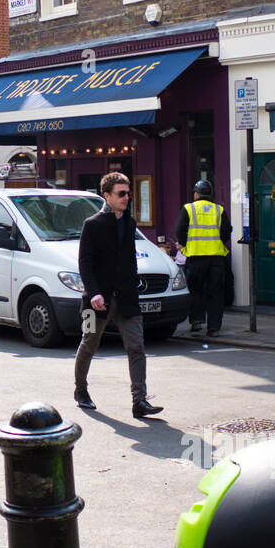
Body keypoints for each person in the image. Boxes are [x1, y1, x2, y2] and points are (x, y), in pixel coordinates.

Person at [74, 172, 164, 419]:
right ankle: (81, 390)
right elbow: (84, 263)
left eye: (128, 193)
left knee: (136, 347)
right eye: (121, 193)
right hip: (95, 302)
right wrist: (93, 293)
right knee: (88, 343)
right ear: (107, 196)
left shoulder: (129, 223)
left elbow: (129, 260)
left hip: (126, 299)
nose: (127, 197)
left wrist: (134, 285)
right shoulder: (91, 225)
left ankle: (140, 401)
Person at [175, 179, 232, 336]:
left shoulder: (188, 208)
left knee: (195, 290)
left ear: (195, 194)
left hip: (196, 257)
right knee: (215, 293)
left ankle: (197, 322)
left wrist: (184, 245)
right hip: (216, 259)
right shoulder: (219, 210)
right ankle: (214, 328)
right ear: (210, 194)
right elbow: (226, 233)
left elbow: (179, 230)